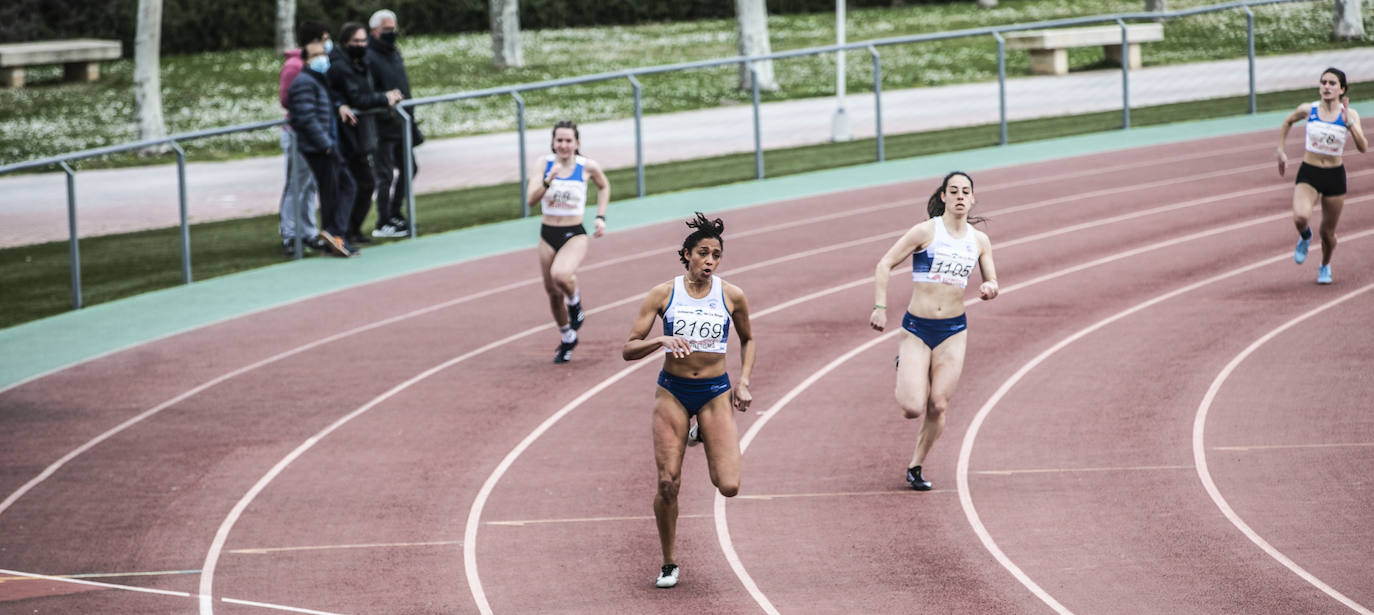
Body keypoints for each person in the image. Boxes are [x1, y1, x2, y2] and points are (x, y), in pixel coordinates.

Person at [622, 212, 755, 589]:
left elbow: (748, 339)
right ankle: (668, 563)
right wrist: (660, 340)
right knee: (668, 483)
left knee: (728, 485)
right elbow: (628, 349)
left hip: (715, 393)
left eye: (716, 254)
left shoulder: (731, 295)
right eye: (702, 253)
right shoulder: (664, 294)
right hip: (673, 392)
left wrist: (742, 381)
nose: (709, 261)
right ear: (686, 255)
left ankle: (699, 432)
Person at [869, 171, 998, 491]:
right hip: (918, 328)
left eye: (965, 192)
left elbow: (993, 279)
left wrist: (989, 287)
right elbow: (884, 264)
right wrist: (880, 307)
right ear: (943, 196)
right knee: (912, 408)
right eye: (953, 191)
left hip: (953, 330)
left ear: (972, 198)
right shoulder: (926, 232)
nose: (959, 196)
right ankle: (905, 362)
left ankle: (915, 465)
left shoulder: (979, 241)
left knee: (939, 404)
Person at [526, 120, 610, 363]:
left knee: (561, 275)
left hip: (574, 232)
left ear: (577, 143)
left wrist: (600, 217)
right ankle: (567, 337)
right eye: (559, 140)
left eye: (568, 140)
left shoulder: (587, 166)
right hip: (547, 233)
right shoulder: (543, 164)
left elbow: (604, 186)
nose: (563, 145)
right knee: (552, 293)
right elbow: (531, 200)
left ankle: (575, 303)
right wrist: (546, 181)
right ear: (553, 142)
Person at [1276, 66, 1368, 284]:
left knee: (1328, 233)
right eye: (1323, 82)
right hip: (1309, 171)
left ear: (1342, 89)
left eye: (1332, 83)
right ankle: (1305, 236)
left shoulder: (1350, 114)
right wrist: (1280, 150)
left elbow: (1363, 147)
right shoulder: (1310, 109)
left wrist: (1350, 124)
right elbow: (1288, 121)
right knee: (1300, 217)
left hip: (1334, 176)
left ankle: (1325, 264)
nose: (1326, 87)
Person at [328, 21, 404, 247]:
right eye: (356, 42)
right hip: (345, 136)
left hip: (360, 134)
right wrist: (384, 98)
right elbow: (356, 98)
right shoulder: (340, 66)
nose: (361, 45)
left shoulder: (362, 62)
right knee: (358, 184)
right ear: (344, 42)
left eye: (363, 41)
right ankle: (342, 232)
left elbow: (361, 93)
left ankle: (351, 231)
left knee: (363, 184)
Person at [288, 41, 359, 257]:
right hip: (320, 148)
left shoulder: (319, 80)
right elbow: (306, 119)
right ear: (307, 60)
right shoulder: (304, 82)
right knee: (347, 186)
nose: (322, 57)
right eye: (316, 54)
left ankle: (334, 238)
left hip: (326, 144)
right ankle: (334, 232)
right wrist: (326, 145)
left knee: (334, 192)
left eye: (323, 53)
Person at [276, 20, 331, 257]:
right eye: (324, 40)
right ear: (314, 41)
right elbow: (288, 100)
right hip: (298, 135)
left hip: (314, 133)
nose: (328, 45)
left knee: (309, 186)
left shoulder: (316, 65)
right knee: (295, 186)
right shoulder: (293, 66)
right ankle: (290, 233)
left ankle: (308, 231)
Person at [366, 9, 416, 239]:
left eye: (393, 29)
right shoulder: (369, 56)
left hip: (402, 123)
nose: (392, 33)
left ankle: (395, 212)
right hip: (383, 126)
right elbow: (371, 91)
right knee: (384, 174)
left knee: (409, 168)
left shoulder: (394, 53)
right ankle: (383, 219)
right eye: (387, 30)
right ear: (374, 31)